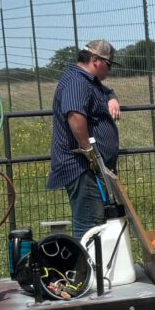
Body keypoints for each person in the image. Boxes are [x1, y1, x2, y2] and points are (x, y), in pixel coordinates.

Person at [48, 40, 123, 240]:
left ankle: (96, 268)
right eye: (109, 64)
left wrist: (111, 96)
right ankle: (89, 269)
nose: (110, 69)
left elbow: (104, 89)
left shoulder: (87, 79)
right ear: (96, 60)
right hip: (82, 166)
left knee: (98, 219)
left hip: (91, 167)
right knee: (90, 224)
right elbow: (75, 115)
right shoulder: (77, 81)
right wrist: (89, 151)